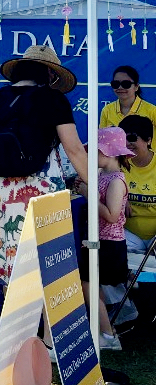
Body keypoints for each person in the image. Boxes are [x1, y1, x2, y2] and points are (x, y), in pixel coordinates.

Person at [0, 45, 88, 288]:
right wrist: (92, 183)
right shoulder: (54, 99)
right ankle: (48, 326)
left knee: (12, 262)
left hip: (3, 192)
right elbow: (74, 149)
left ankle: (15, 324)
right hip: (42, 190)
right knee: (49, 263)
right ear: (48, 73)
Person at [74, 127, 132, 351]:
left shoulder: (116, 180)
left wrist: (87, 194)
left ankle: (108, 335)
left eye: (95, 151)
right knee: (90, 285)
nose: (91, 156)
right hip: (96, 240)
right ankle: (105, 331)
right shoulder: (101, 175)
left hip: (108, 244)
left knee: (88, 285)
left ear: (109, 153)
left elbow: (112, 214)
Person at [118, 115, 156, 252]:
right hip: (127, 234)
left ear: (148, 140)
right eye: (123, 139)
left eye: (132, 138)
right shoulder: (116, 164)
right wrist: (121, 197)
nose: (127, 143)